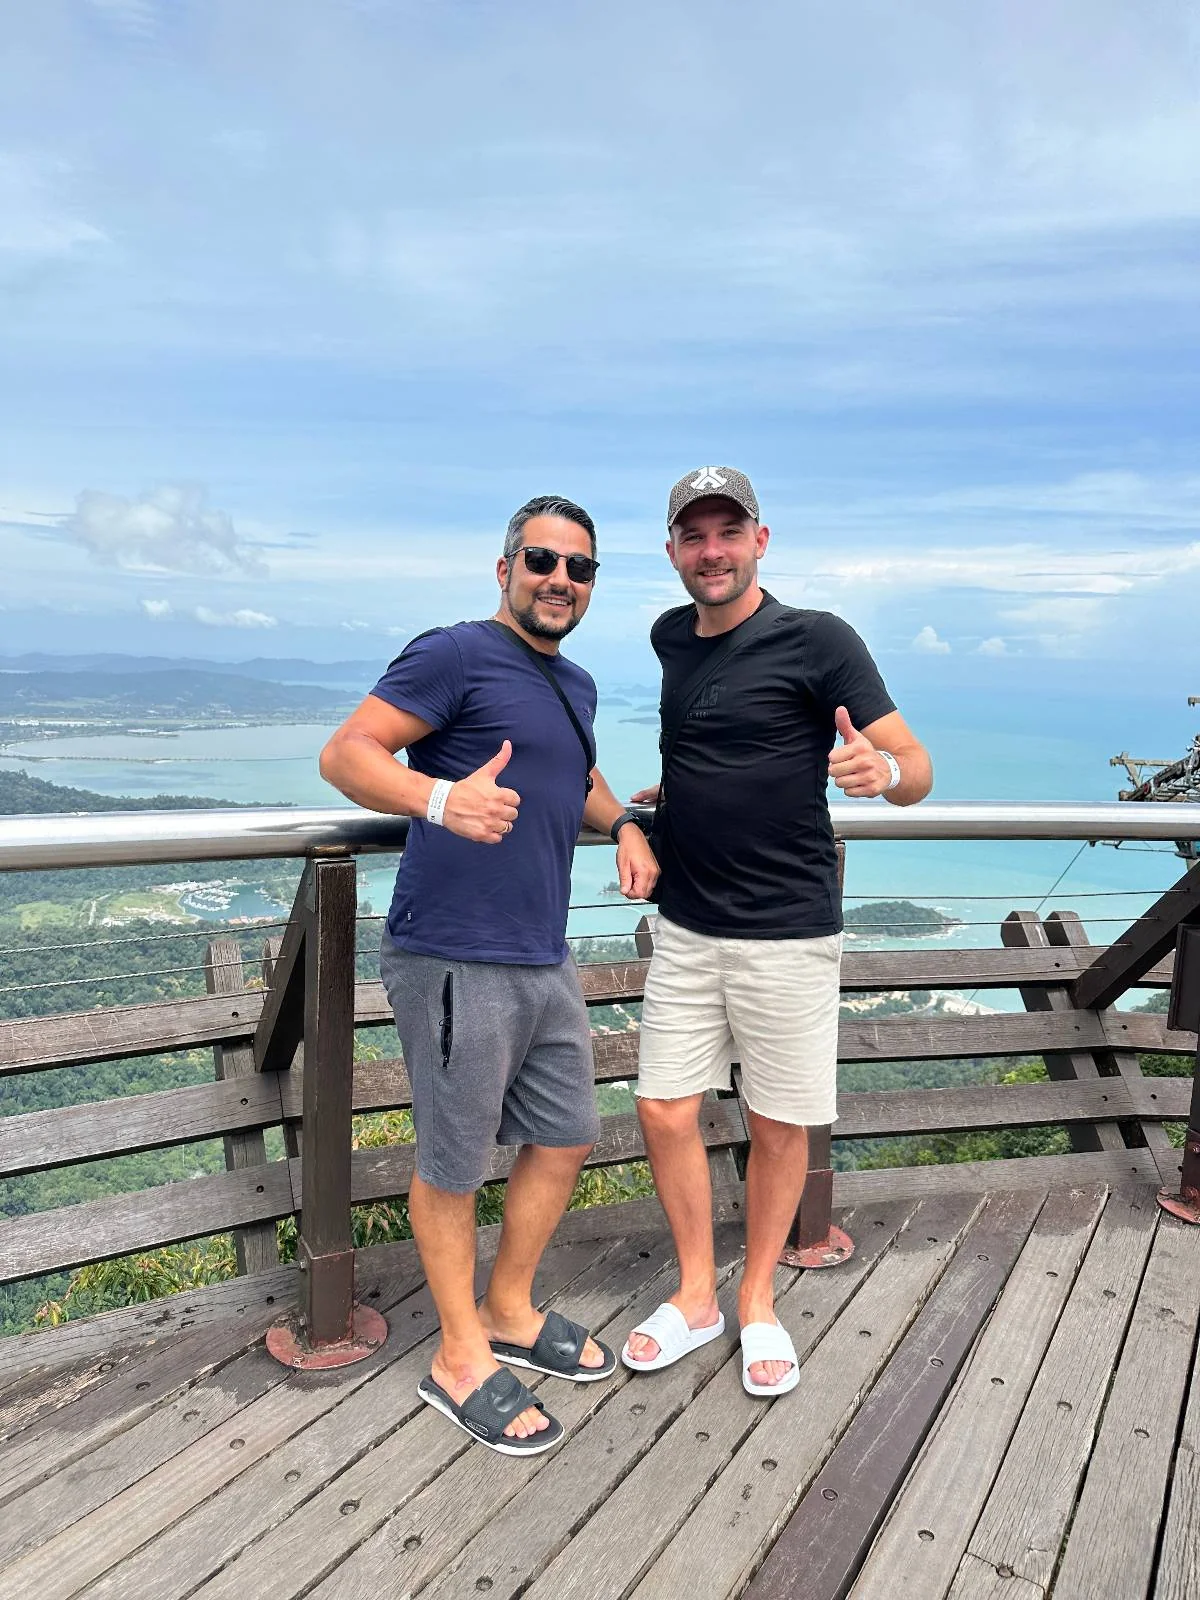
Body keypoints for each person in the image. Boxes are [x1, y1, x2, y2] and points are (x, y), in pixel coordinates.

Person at [319, 494, 659, 1456]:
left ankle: (509, 1307)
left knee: (567, 1134)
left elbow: (576, 777)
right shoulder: (456, 653)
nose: (560, 579)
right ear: (505, 568)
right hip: (452, 952)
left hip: (542, 951)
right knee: (455, 1162)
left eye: (579, 567)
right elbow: (346, 753)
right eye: (542, 560)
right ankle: (458, 1356)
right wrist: (438, 799)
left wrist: (625, 825)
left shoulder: (574, 682)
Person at [621, 465, 932, 1396]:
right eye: (694, 535)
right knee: (662, 1107)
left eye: (729, 532)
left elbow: (915, 766)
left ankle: (755, 1298)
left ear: (760, 541)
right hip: (688, 922)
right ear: (673, 551)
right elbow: (705, 741)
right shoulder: (670, 637)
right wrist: (667, 801)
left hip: (789, 928)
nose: (711, 551)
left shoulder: (819, 638)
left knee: (778, 1121)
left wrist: (882, 773)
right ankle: (695, 1296)